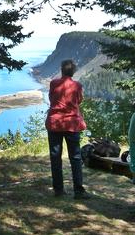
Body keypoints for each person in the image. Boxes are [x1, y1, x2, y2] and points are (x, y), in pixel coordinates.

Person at [45, 59, 91, 199]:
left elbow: (51, 97)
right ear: (73, 71)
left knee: (55, 157)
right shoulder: (77, 85)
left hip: (55, 123)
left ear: (61, 70)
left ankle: (58, 190)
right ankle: (78, 190)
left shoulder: (54, 83)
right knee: (75, 158)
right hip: (71, 124)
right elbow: (79, 100)